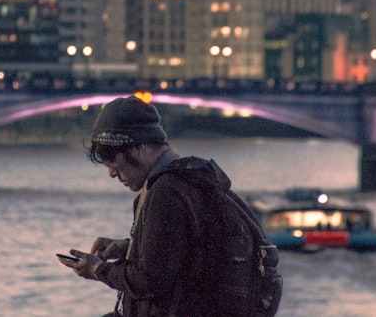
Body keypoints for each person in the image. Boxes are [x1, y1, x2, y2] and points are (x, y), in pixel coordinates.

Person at [58, 95, 261, 316]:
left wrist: (97, 269)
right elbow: (180, 255)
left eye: (114, 160)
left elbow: (150, 281)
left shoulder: (167, 192)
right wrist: (129, 247)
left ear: (141, 147)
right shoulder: (188, 179)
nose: (112, 173)